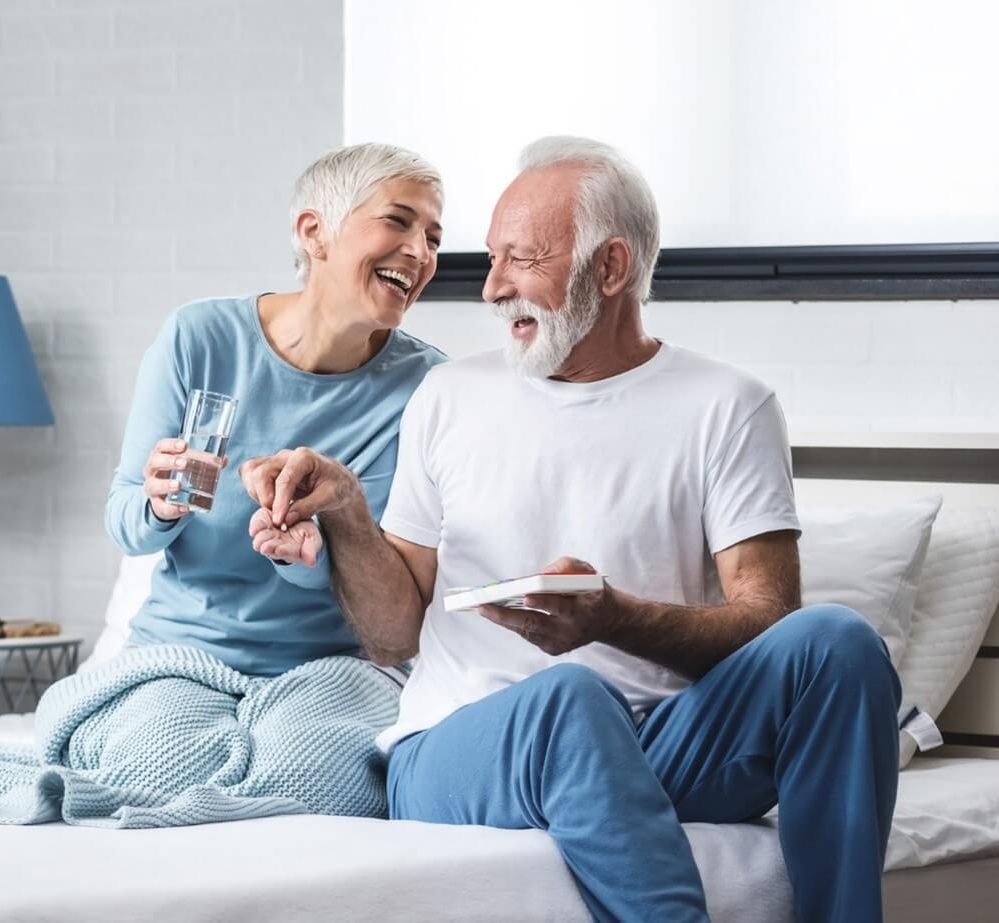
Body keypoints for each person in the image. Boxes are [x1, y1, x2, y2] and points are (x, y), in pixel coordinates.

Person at [239, 136, 900, 922]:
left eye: (521, 260)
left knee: (839, 644)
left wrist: (615, 618)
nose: (490, 288)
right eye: (490, 258)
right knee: (571, 699)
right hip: (459, 749)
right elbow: (393, 636)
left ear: (610, 268)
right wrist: (348, 510)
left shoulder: (729, 406)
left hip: (661, 743)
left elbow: (764, 620)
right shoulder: (450, 396)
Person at [104, 142, 447, 676]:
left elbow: (382, 597)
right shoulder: (199, 339)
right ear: (315, 232)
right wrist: (160, 506)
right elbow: (126, 522)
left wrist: (301, 558)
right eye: (397, 222)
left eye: (432, 238)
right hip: (179, 655)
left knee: (309, 763)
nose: (421, 253)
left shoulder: (424, 387)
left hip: (328, 669)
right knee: (162, 758)